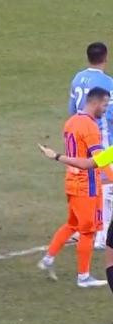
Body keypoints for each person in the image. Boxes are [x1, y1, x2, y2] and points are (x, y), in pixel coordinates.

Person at [37, 87, 111, 287]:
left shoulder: (70, 122)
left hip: (71, 181)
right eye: (105, 105)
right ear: (95, 102)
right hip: (87, 185)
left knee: (73, 224)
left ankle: (48, 258)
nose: (106, 109)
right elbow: (99, 160)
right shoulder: (90, 126)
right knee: (87, 232)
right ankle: (83, 277)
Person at [68, 42, 113, 249]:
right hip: (100, 138)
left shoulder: (77, 78)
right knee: (107, 184)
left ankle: (81, 227)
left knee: (84, 182)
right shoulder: (108, 83)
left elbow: (72, 109)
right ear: (105, 57)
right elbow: (109, 115)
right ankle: (102, 235)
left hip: (79, 136)